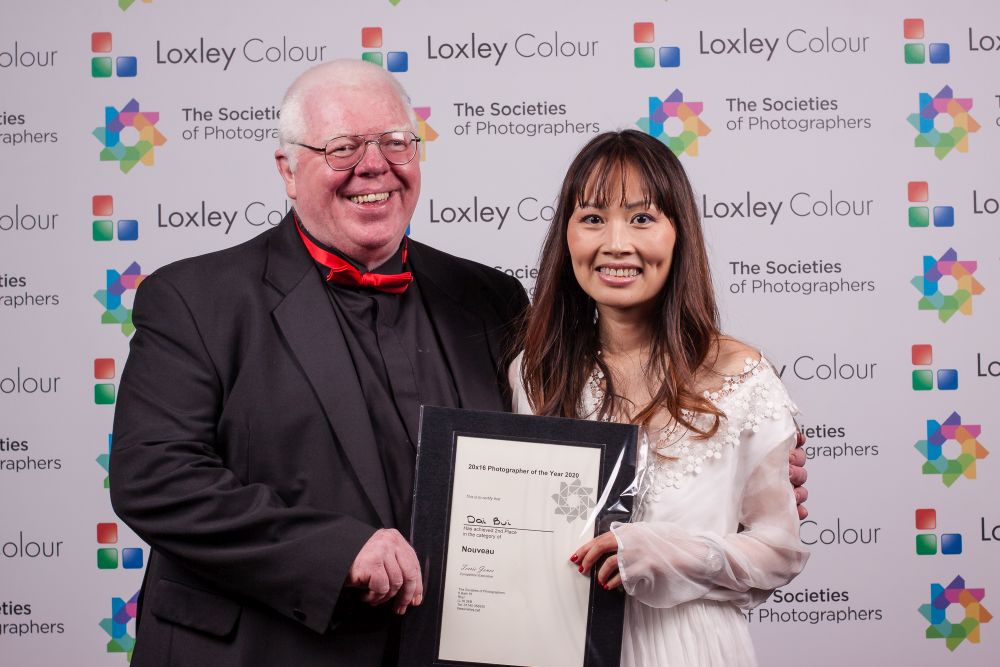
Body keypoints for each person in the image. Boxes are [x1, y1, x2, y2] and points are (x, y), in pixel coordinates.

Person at [109, 59, 528, 666]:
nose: (374, 165)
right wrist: (338, 550)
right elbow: (156, 479)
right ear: (287, 169)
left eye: (394, 142)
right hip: (263, 649)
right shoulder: (193, 298)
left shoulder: (491, 299)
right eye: (343, 147)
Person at [510, 129, 810, 666]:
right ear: (567, 237)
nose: (616, 243)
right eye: (593, 218)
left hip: (692, 649)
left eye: (642, 218)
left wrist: (674, 554)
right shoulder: (534, 373)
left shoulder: (741, 375)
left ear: (678, 235)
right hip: (565, 647)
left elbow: (779, 548)